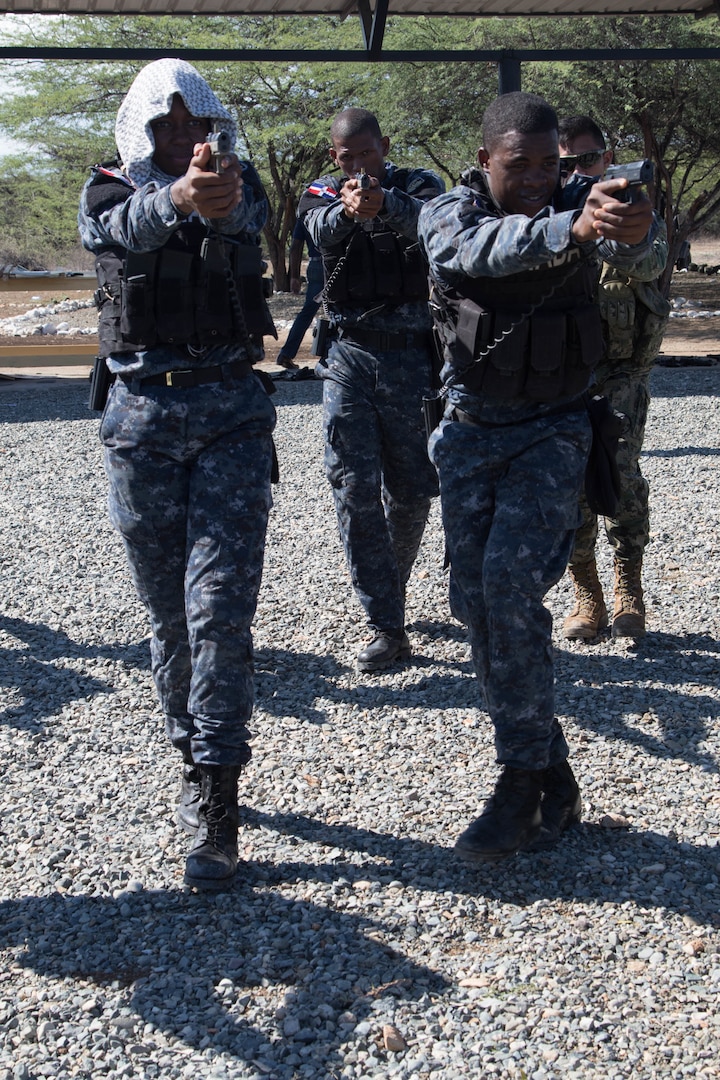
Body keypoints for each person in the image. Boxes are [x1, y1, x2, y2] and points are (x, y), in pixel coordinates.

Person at [417, 92, 665, 862]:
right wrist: (571, 226)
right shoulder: (445, 210)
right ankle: (552, 768)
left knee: (508, 590)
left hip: (556, 429)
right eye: (516, 165)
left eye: (548, 166)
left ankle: (519, 780)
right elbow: (477, 254)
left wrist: (635, 228)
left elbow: (643, 258)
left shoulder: (580, 200)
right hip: (468, 432)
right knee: (473, 604)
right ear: (485, 157)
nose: (533, 179)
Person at [78, 58, 278, 890]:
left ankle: (217, 797)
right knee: (168, 618)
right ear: (141, 130)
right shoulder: (108, 191)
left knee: (221, 611)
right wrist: (175, 200)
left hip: (231, 412)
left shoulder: (239, 185)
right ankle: (189, 748)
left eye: (195, 125)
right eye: (167, 128)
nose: (184, 139)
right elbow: (115, 233)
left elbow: (246, 223)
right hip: (142, 423)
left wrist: (214, 198)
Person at [298, 108, 445, 672]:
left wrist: (390, 205)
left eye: (367, 153)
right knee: (353, 486)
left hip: (412, 358)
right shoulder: (321, 193)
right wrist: (350, 211)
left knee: (410, 489)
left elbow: (438, 225)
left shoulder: (418, 186)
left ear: (384, 145)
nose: (358, 165)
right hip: (348, 356)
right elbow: (318, 228)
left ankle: (390, 586)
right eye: (346, 156)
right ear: (334, 156)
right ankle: (385, 620)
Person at [558, 116, 671, 640]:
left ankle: (629, 584)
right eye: (565, 164)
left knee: (621, 474)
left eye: (587, 159)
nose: (578, 171)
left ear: (607, 158)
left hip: (621, 370)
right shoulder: (541, 211)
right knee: (570, 487)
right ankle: (587, 592)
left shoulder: (632, 208)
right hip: (557, 375)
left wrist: (608, 223)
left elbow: (646, 262)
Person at [276, 219, 324, 370]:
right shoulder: (335, 208)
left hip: (315, 265)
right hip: (334, 264)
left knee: (307, 313)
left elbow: (295, 247)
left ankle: (286, 354)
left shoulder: (305, 214)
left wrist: (294, 277)